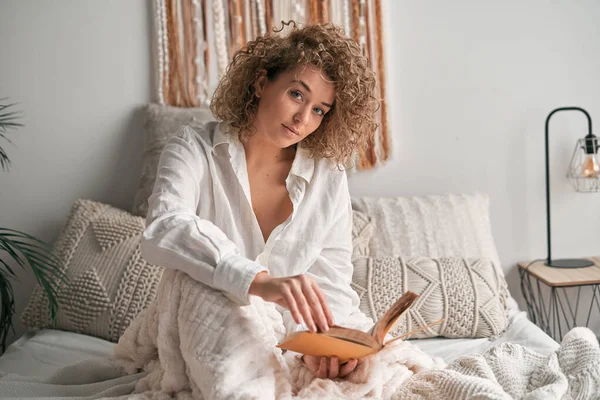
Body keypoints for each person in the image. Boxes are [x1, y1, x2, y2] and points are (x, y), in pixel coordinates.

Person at [141, 21, 379, 382]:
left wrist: (320, 346)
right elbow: (163, 228)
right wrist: (257, 280)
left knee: (388, 370)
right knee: (200, 282)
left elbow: (330, 282)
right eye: (297, 94)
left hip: (283, 342)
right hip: (201, 328)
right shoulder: (193, 148)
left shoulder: (328, 177)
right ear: (261, 81)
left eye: (319, 110)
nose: (303, 118)